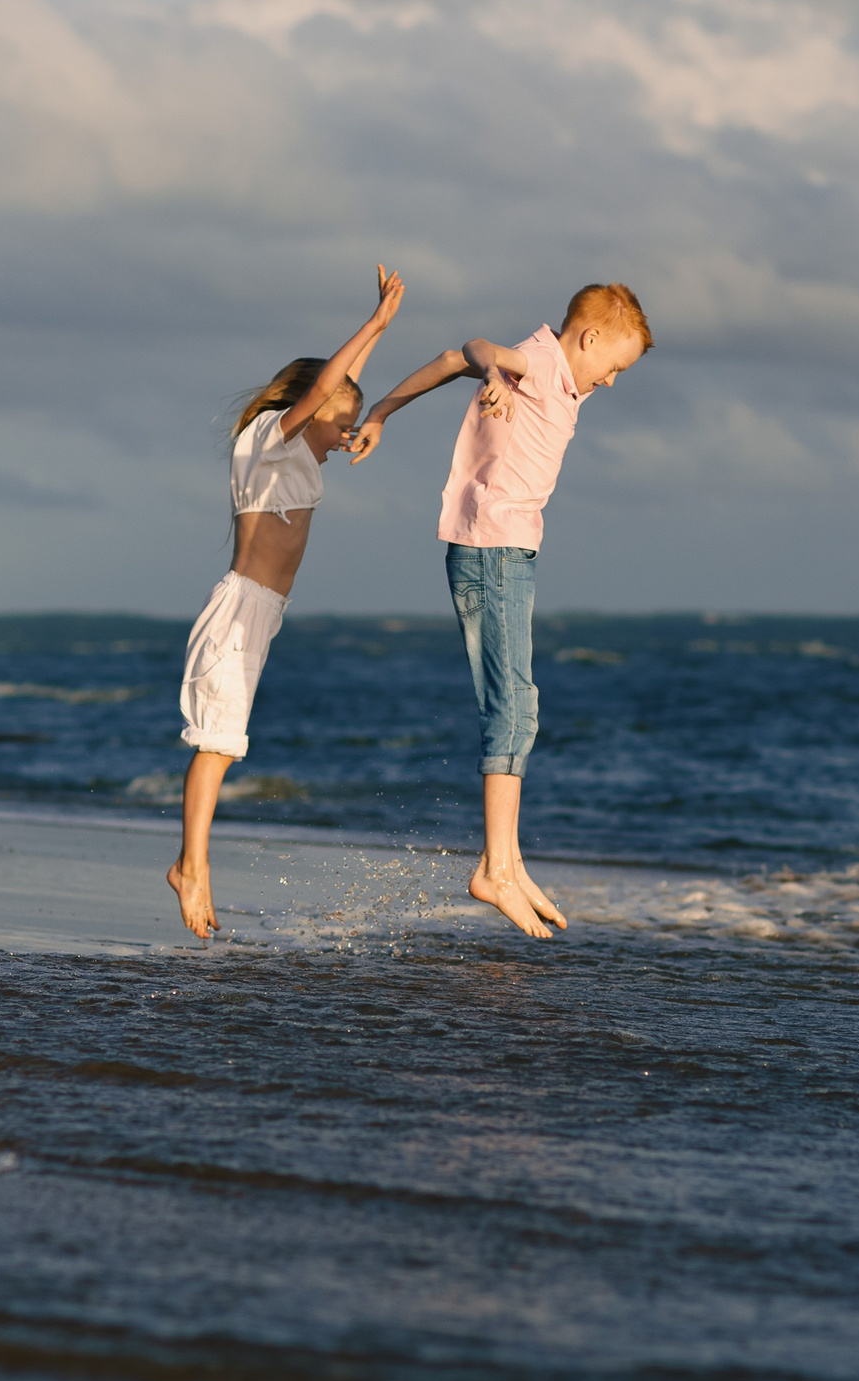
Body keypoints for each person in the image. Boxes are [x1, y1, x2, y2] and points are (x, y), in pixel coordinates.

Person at [348, 283, 651, 939]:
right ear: (588, 339)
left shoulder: (563, 379)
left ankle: (509, 861)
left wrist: (382, 409)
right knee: (511, 709)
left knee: (521, 705)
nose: (614, 381)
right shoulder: (536, 363)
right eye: (615, 365)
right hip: (494, 551)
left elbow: (450, 357)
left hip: (507, 553)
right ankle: (494, 869)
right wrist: (492, 369)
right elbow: (476, 350)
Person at [167, 265, 405, 941]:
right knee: (215, 744)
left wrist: (367, 359)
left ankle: (195, 863)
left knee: (223, 744)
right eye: (342, 424)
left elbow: (330, 396)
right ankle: (192, 866)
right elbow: (324, 387)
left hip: (260, 615)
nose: (346, 435)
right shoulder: (271, 434)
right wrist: (377, 326)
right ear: (311, 406)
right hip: (241, 611)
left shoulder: (292, 452)